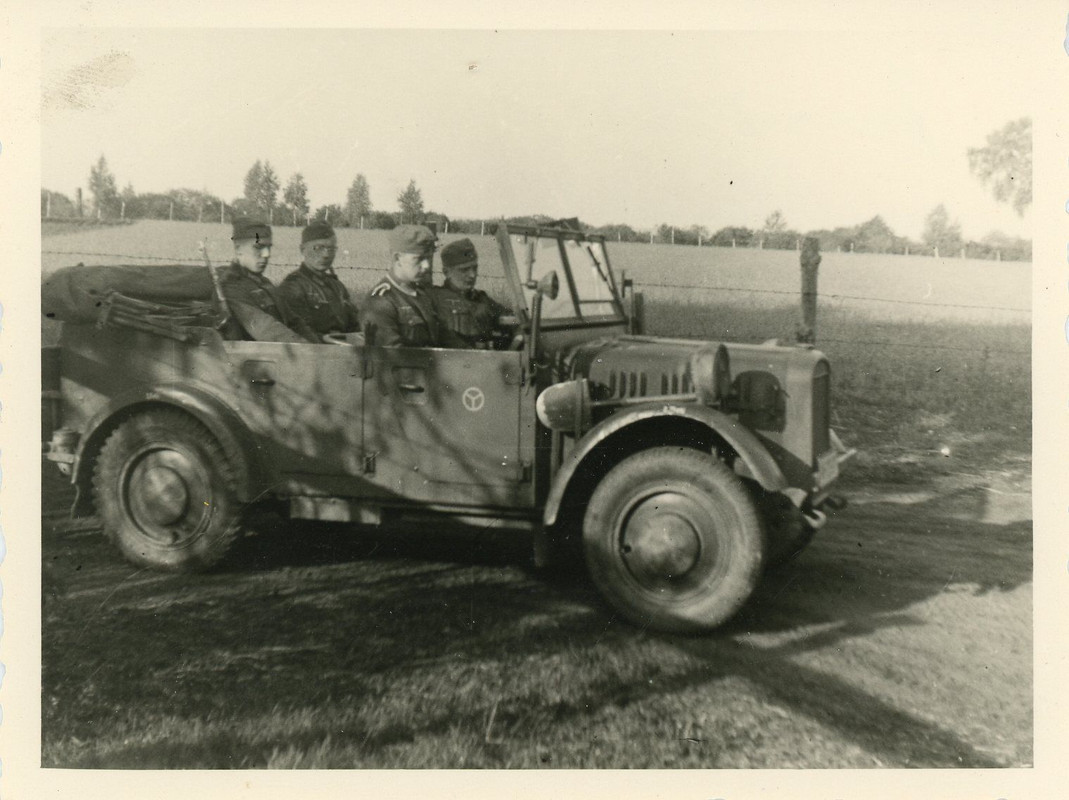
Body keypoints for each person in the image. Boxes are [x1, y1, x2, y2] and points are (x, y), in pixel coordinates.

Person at [219, 216, 317, 343]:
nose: (266, 254)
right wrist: (310, 351)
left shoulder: (265, 283)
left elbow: (295, 322)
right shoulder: (230, 287)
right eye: (258, 247)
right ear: (238, 249)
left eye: (268, 247)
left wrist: (319, 348)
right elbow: (268, 330)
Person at [278, 221, 361, 339]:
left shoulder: (337, 286)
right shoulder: (293, 287)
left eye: (331, 249)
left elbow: (355, 325)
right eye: (318, 248)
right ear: (302, 249)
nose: (326, 255)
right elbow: (300, 333)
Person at [361, 224, 440, 347]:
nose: (426, 266)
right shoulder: (380, 302)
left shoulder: (422, 294)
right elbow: (391, 356)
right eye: (419, 259)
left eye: (428, 258)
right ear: (397, 258)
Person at [429, 237, 511, 350]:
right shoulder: (434, 299)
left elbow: (512, 320)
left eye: (475, 268)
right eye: (464, 270)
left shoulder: (482, 299)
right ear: (446, 272)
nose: (472, 275)